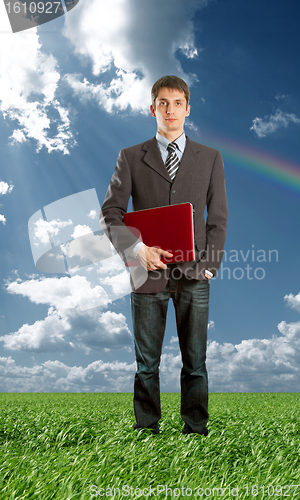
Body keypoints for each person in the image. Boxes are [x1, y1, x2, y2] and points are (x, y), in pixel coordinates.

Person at [100, 75, 228, 435]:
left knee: (196, 362)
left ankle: (195, 430)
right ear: (152, 108)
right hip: (146, 273)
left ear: (187, 108)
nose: (170, 110)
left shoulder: (211, 158)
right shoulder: (129, 157)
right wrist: (137, 249)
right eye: (162, 103)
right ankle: (146, 431)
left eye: (177, 103)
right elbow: (111, 213)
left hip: (194, 274)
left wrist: (209, 268)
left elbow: (217, 218)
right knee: (146, 364)